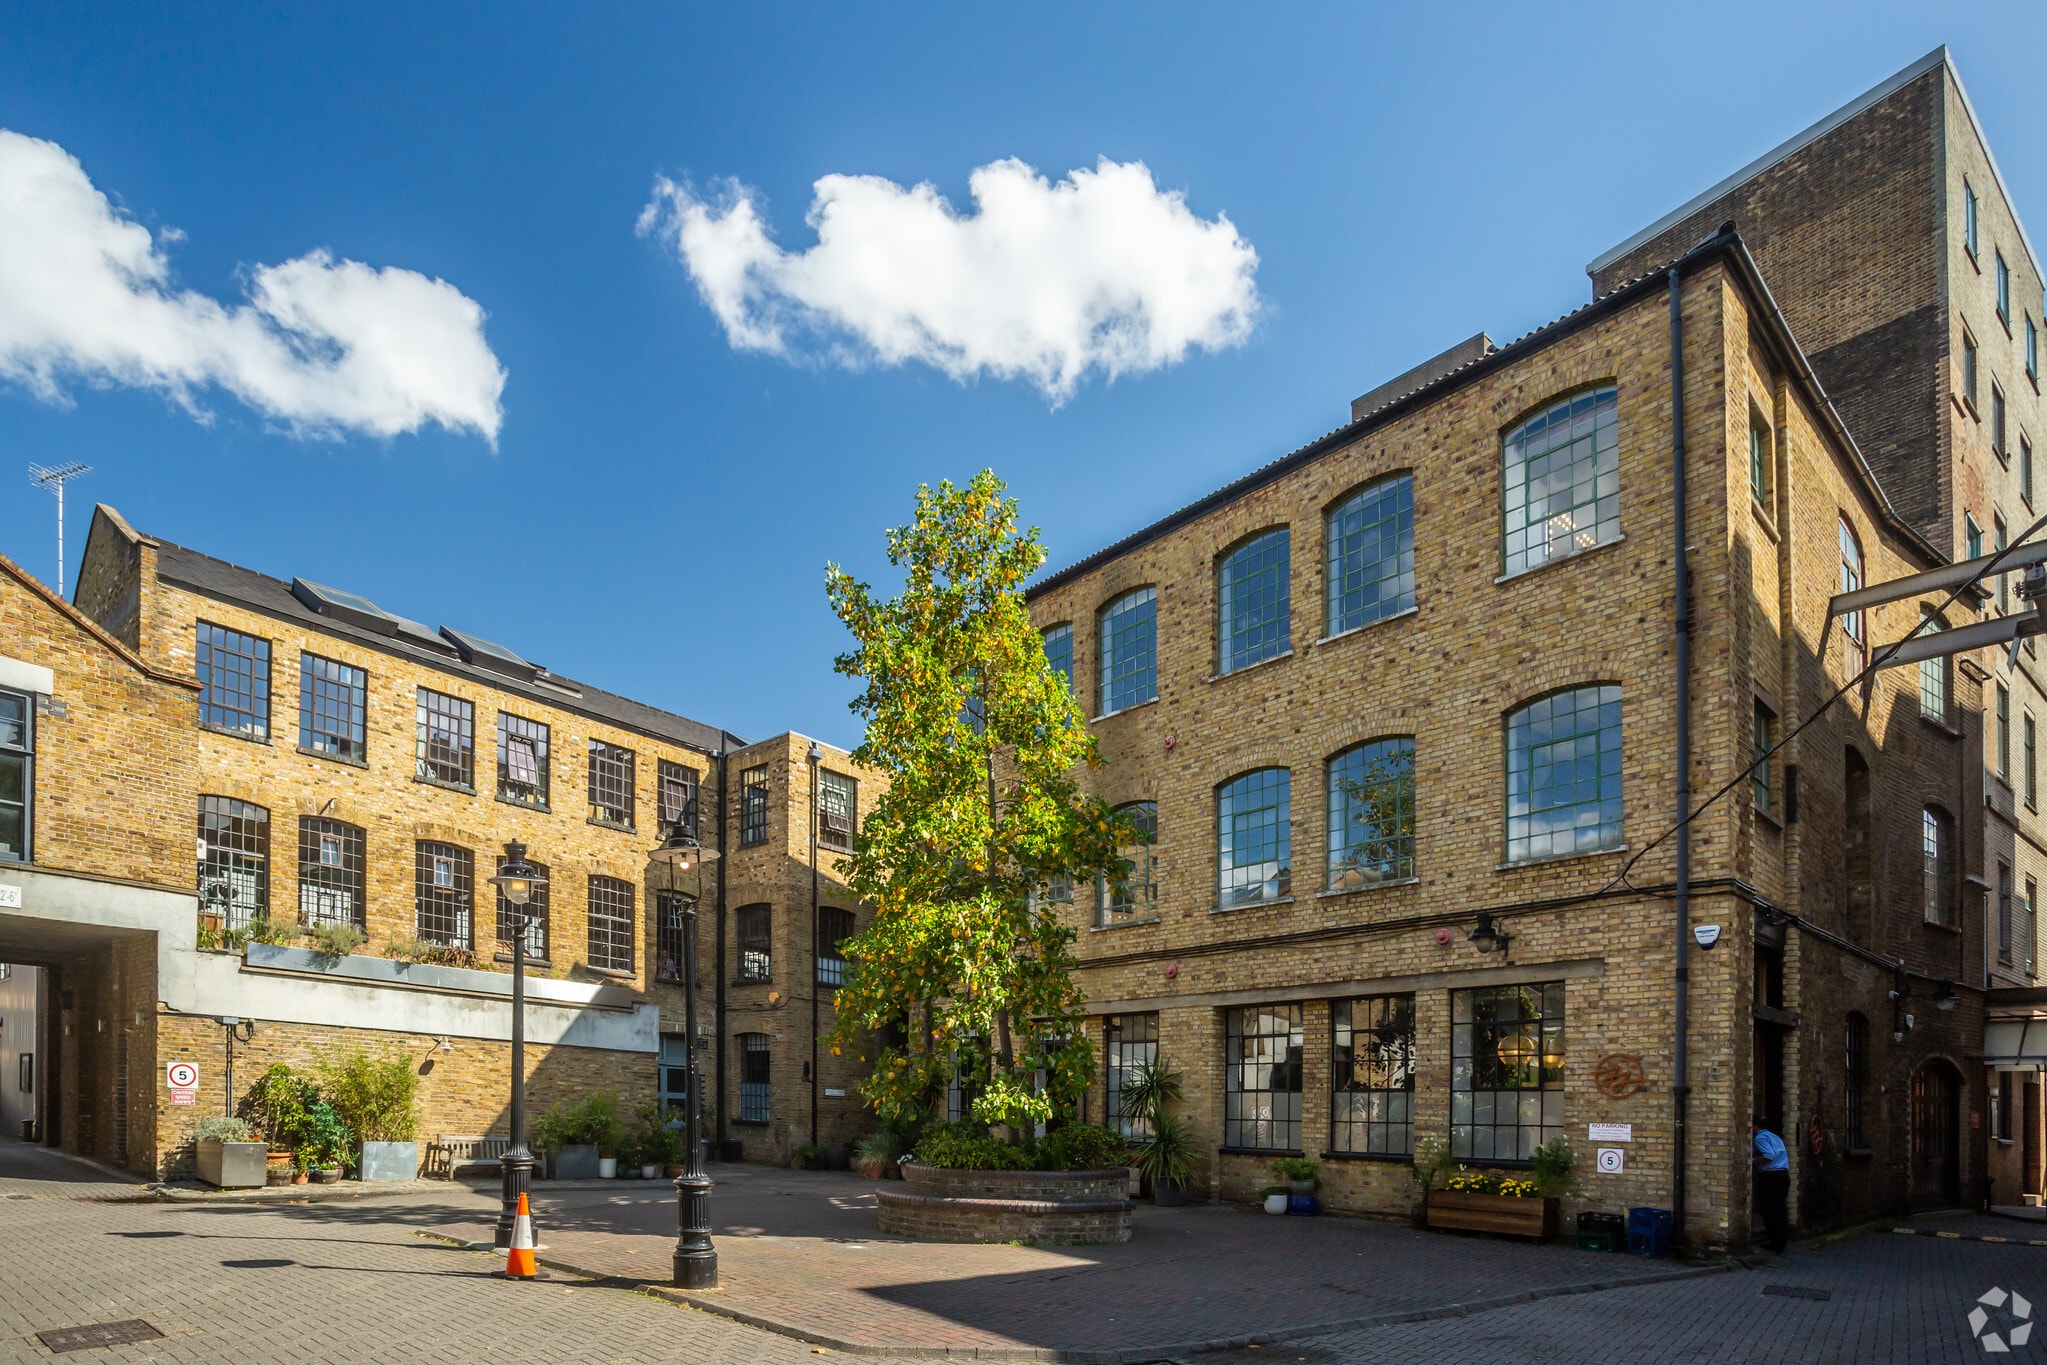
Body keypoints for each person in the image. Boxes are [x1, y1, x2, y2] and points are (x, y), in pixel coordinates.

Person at [1752, 1115, 1791, 1252]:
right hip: (1783, 1175)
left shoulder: (1760, 1137)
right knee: (1780, 1209)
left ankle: (1775, 1243)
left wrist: (1752, 1161)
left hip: (1771, 1177)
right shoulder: (1775, 1136)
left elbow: (1769, 1156)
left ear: (1755, 1126)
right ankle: (1782, 1241)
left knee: (1769, 1210)